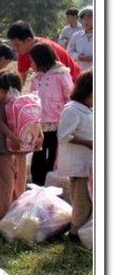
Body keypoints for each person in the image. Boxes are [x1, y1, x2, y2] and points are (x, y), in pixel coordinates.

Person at [28, 42, 73, 187]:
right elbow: (32, 99)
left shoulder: (61, 74)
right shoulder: (36, 78)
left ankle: (50, 187)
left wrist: (67, 120)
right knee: (38, 155)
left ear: (41, 59)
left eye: (32, 60)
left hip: (57, 123)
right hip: (40, 125)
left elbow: (69, 97)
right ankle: (37, 185)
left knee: (54, 156)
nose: (31, 64)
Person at [56, 70, 93, 242]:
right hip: (78, 165)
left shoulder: (87, 108)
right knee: (81, 201)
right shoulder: (72, 109)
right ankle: (75, 233)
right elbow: (63, 135)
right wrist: (88, 143)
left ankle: (83, 230)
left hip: (87, 164)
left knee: (86, 200)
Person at [0, 70, 28, 220]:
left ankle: (16, 217)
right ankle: (3, 218)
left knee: (19, 186)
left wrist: (39, 136)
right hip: (3, 151)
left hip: (20, 151)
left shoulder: (22, 103)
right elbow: (0, 122)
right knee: (5, 187)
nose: (1, 94)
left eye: (5, 91)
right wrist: (13, 137)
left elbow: (34, 122)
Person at [6, 20, 81, 86]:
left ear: (28, 40)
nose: (15, 48)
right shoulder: (23, 52)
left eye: (17, 45)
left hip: (75, 82)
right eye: (12, 45)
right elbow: (21, 79)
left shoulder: (45, 49)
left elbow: (58, 77)